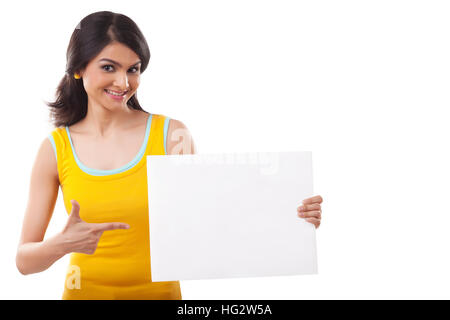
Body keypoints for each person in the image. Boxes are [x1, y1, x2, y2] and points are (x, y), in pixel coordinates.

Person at [15, 11, 323, 300]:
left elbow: (214, 220)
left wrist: (290, 217)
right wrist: (62, 244)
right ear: (79, 68)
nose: (123, 83)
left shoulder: (171, 136)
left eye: (133, 69)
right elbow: (24, 262)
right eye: (109, 67)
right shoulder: (55, 149)